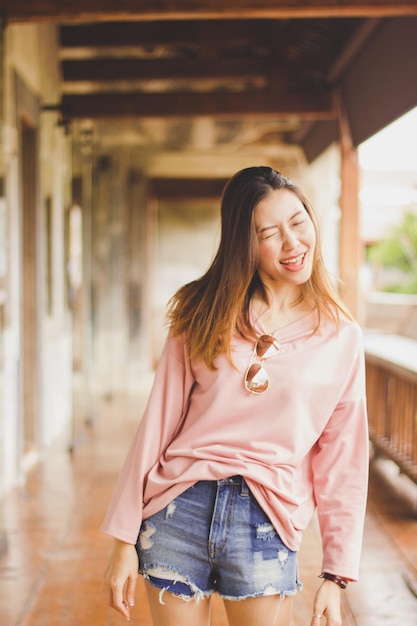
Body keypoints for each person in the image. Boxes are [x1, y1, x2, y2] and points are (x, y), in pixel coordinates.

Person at [102, 166, 369, 626]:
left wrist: (337, 572)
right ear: (245, 243)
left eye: (298, 221)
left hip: (266, 522)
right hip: (177, 510)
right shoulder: (201, 311)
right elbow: (157, 426)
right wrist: (122, 539)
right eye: (269, 232)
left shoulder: (342, 336)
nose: (292, 243)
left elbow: (343, 457)